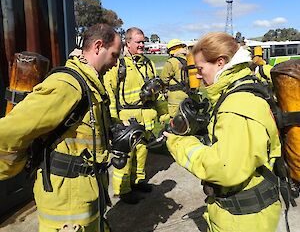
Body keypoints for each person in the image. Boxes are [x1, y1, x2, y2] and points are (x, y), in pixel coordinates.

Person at [0, 23, 122, 232]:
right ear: (98, 46)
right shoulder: (67, 85)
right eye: (114, 55)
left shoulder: (91, 84)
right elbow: (10, 130)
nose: (115, 62)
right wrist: (14, 165)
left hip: (86, 195)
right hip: (66, 206)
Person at [164, 32, 282, 232]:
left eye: (201, 69)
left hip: (243, 221)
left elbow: (224, 168)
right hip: (244, 214)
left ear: (220, 63)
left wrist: (178, 143)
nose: (198, 75)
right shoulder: (241, 89)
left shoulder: (236, 106)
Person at [104, 27, 165, 204]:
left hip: (146, 118)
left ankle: (137, 182)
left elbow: (158, 91)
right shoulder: (119, 65)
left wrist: (163, 114)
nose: (142, 45)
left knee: (142, 152)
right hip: (127, 119)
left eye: (143, 42)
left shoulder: (149, 63)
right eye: (138, 42)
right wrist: (115, 121)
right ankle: (123, 190)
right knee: (126, 157)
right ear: (127, 43)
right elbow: (110, 94)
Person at [160, 39, 189, 118]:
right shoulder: (190, 59)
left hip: (175, 98)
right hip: (190, 94)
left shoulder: (172, 62)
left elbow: (163, 79)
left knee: (176, 122)